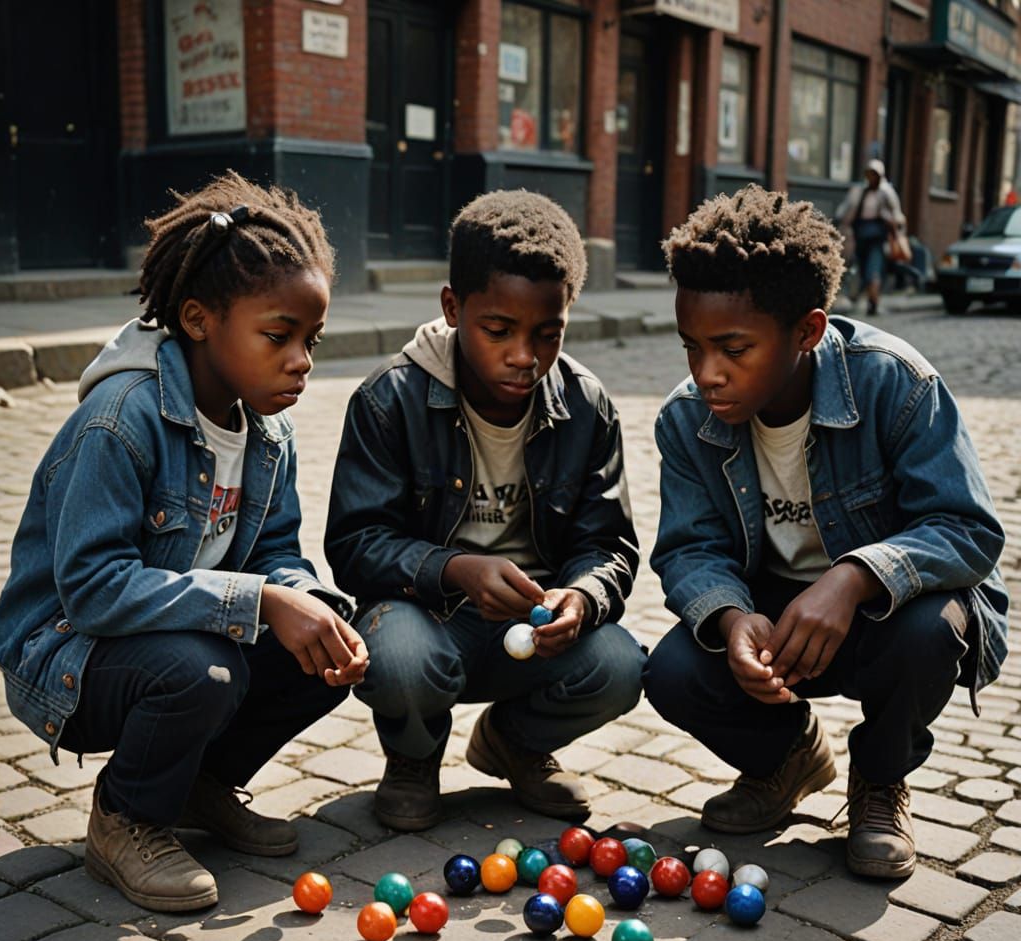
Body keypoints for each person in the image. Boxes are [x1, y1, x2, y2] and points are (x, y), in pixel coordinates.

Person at [0, 171, 369, 912]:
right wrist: (260, 600)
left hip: (179, 636)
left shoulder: (269, 431)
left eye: (311, 340)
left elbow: (276, 551)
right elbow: (95, 589)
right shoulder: (120, 422)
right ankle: (127, 819)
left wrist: (305, 601)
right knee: (204, 672)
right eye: (279, 336)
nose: (302, 360)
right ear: (199, 319)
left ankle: (199, 784)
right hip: (68, 653)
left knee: (322, 645)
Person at [642, 184, 1008, 879]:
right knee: (672, 668)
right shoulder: (685, 420)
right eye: (692, 345)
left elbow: (968, 530)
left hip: (885, 618)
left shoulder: (896, 384)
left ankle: (880, 779)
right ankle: (785, 759)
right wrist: (729, 618)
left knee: (934, 628)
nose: (707, 372)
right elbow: (691, 549)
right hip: (779, 621)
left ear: (807, 331)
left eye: (734, 347)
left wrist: (856, 576)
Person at [325, 190, 646, 831]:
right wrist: (455, 569)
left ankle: (517, 743)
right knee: (401, 656)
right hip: (426, 615)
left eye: (547, 334)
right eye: (498, 331)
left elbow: (609, 543)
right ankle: (414, 759)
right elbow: (354, 544)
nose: (524, 356)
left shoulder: (585, 406)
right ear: (453, 308)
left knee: (620, 666)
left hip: (529, 626)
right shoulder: (390, 400)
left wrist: (581, 597)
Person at [836, 158, 905, 315]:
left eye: (874, 174)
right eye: (869, 174)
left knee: (873, 268)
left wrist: (893, 226)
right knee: (859, 265)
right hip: (859, 234)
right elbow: (846, 209)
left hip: (877, 236)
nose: (871, 178)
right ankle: (861, 297)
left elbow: (897, 216)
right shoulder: (859, 191)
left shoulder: (886, 193)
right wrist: (842, 223)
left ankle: (873, 302)